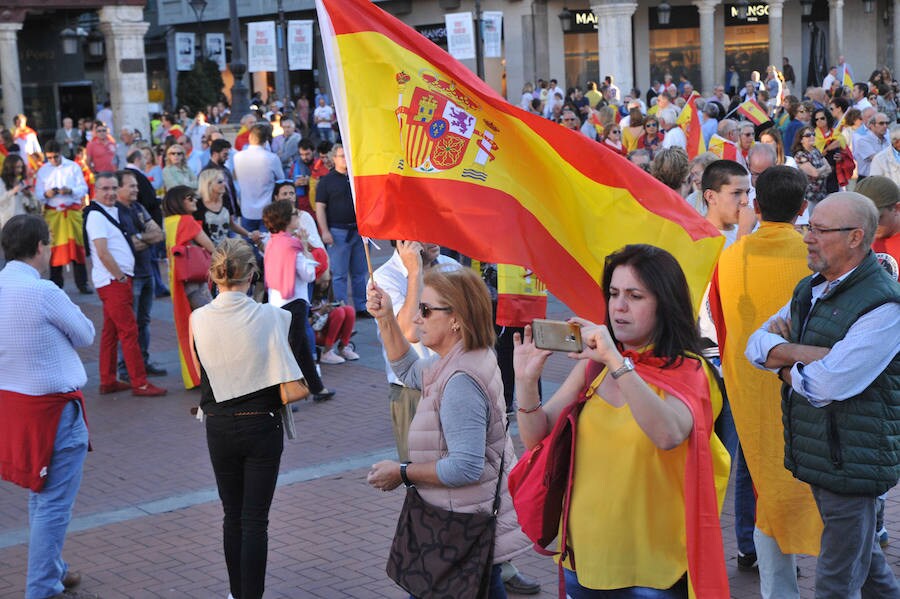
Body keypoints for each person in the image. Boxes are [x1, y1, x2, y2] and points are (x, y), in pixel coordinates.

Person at [513, 244, 730, 597]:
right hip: (581, 560)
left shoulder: (692, 371)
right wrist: (525, 383)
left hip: (651, 572)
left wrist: (617, 362)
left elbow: (667, 434)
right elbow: (536, 436)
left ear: (665, 303)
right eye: (613, 293)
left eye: (635, 295)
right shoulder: (595, 367)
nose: (619, 306)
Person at [746, 191, 900, 599]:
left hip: (853, 461)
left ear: (855, 237)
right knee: (866, 568)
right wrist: (802, 355)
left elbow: (825, 386)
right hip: (822, 454)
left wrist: (780, 362)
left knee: (836, 581)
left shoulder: (885, 305)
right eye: (808, 227)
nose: (807, 238)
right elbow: (753, 345)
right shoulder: (810, 289)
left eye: (818, 230)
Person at [366, 267, 531, 599]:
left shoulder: (460, 381)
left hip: (459, 530)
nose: (417, 317)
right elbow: (410, 371)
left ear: (456, 318)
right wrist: (385, 318)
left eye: (426, 310)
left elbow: (464, 466)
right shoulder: (466, 356)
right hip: (464, 525)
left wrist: (402, 473)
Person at [709, 167, 822, 598]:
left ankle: (780, 591)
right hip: (810, 384)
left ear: (755, 206)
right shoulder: (817, 254)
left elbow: (721, 323)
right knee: (825, 485)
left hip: (750, 388)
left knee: (765, 483)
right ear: (802, 208)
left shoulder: (730, 255)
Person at [189, 238, 300, 599]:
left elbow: (199, 368)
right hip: (262, 422)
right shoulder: (272, 315)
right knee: (255, 520)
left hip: (218, 423)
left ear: (215, 276)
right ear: (252, 273)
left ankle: (237, 594)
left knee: (231, 514)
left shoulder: (198, 318)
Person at [0, 215, 99, 599]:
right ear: (41, 247)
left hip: (15, 403)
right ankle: (42, 587)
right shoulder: (44, 292)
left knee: (40, 493)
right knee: (54, 502)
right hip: (53, 407)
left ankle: (52, 570)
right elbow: (86, 334)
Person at [261, 199, 335, 402]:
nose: (298, 216)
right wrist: (304, 246)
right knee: (291, 349)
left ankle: (316, 388)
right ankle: (280, 394)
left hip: (278, 300)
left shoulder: (273, 241)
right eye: (294, 214)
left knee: (300, 347)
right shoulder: (291, 244)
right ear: (286, 219)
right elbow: (309, 274)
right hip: (295, 302)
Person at [113, 170, 167, 381]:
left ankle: (142, 361)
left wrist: (137, 238)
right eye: (131, 186)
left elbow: (158, 234)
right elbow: (126, 243)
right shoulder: (114, 212)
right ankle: (125, 367)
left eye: (136, 185)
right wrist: (140, 239)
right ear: (119, 188)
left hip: (146, 272)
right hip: (130, 275)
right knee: (130, 324)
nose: (136, 189)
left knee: (143, 321)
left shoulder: (139, 208)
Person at [163, 185, 215, 389]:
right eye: (189, 198)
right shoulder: (186, 221)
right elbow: (211, 246)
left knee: (190, 329)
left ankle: (196, 373)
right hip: (195, 282)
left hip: (179, 281)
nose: (194, 200)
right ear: (178, 201)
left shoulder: (169, 222)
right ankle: (211, 373)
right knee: (209, 327)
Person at [315, 144, 367, 314]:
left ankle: (361, 306)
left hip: (359, 231)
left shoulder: (357, 178)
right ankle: (341, 307)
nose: (345, 158)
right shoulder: (326, 181)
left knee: (360, 273)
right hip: (338, 233)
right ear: (334, 158)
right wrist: (324, 231)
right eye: (341, 155)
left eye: (347, 155)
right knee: (339, 274)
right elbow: (320, 207)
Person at [35, 141, 92, 294]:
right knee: (54, 250)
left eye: (56, 157)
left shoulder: (73, 167)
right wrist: (46, 194)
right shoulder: (43, 171)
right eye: (50, 158)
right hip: (53, 215)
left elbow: (83, 188)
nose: (53, 160)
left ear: (61, 153)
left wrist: (70, 190)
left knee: (78, 249)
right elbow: (38, 193)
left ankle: (83, 284)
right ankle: (56, 285)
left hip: (72, 212)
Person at [233, 123, 282, 233]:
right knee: (266, 246)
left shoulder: (238, 156)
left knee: (247, 247)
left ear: (250, 137)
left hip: (246, 209)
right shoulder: (272, 158)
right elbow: (281, 180)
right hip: (267, 210)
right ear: (266, 140)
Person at [195, 168, 254, 247]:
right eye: (220, 182)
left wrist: (249, 235)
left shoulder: (225, 198)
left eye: (224, 181)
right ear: (208, 184)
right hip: (206, 253)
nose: (224, 184)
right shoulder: (197, 204)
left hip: (225, 249)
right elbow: (194, 233)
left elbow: (232, 224)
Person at [856, 175, 900, 271]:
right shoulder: (855, 239)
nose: (869, 226)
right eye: (862, 218)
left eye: (876, 219)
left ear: (897, 208)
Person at [792, 126, 832, 211]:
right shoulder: (800, 155)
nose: (812, 136)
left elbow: (829, 169)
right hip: (808, 197)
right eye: (808, 135)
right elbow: (815, 173)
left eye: (813, 134)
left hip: (821, 195)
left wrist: (820, 171)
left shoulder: (816, 151)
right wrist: (823, 168)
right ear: (801, 140)